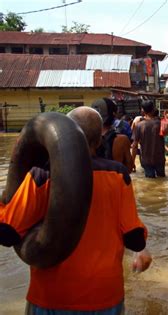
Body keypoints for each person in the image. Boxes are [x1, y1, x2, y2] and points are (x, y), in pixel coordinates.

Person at [0, 107, 151, 314]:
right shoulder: (118, 175)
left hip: (51, 298)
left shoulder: (42, 175)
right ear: (99, 140)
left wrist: (6, 200)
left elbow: (7, 232)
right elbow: (134, 237)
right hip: (106, 296)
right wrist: (142, 250)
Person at [91, 98, 134, 173]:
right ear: (114, 114)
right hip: (115, 182)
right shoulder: (122, 140)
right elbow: (129, 168)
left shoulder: (85, 139)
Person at [131, 101, 166, 178]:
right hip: (159, 159)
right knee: (162, 182)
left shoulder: (139, 126)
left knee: (150, 183)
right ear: (153, 109)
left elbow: (134, 145)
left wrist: (132, 162)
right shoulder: (161, 123)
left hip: (146, 160)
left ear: (142, 110)